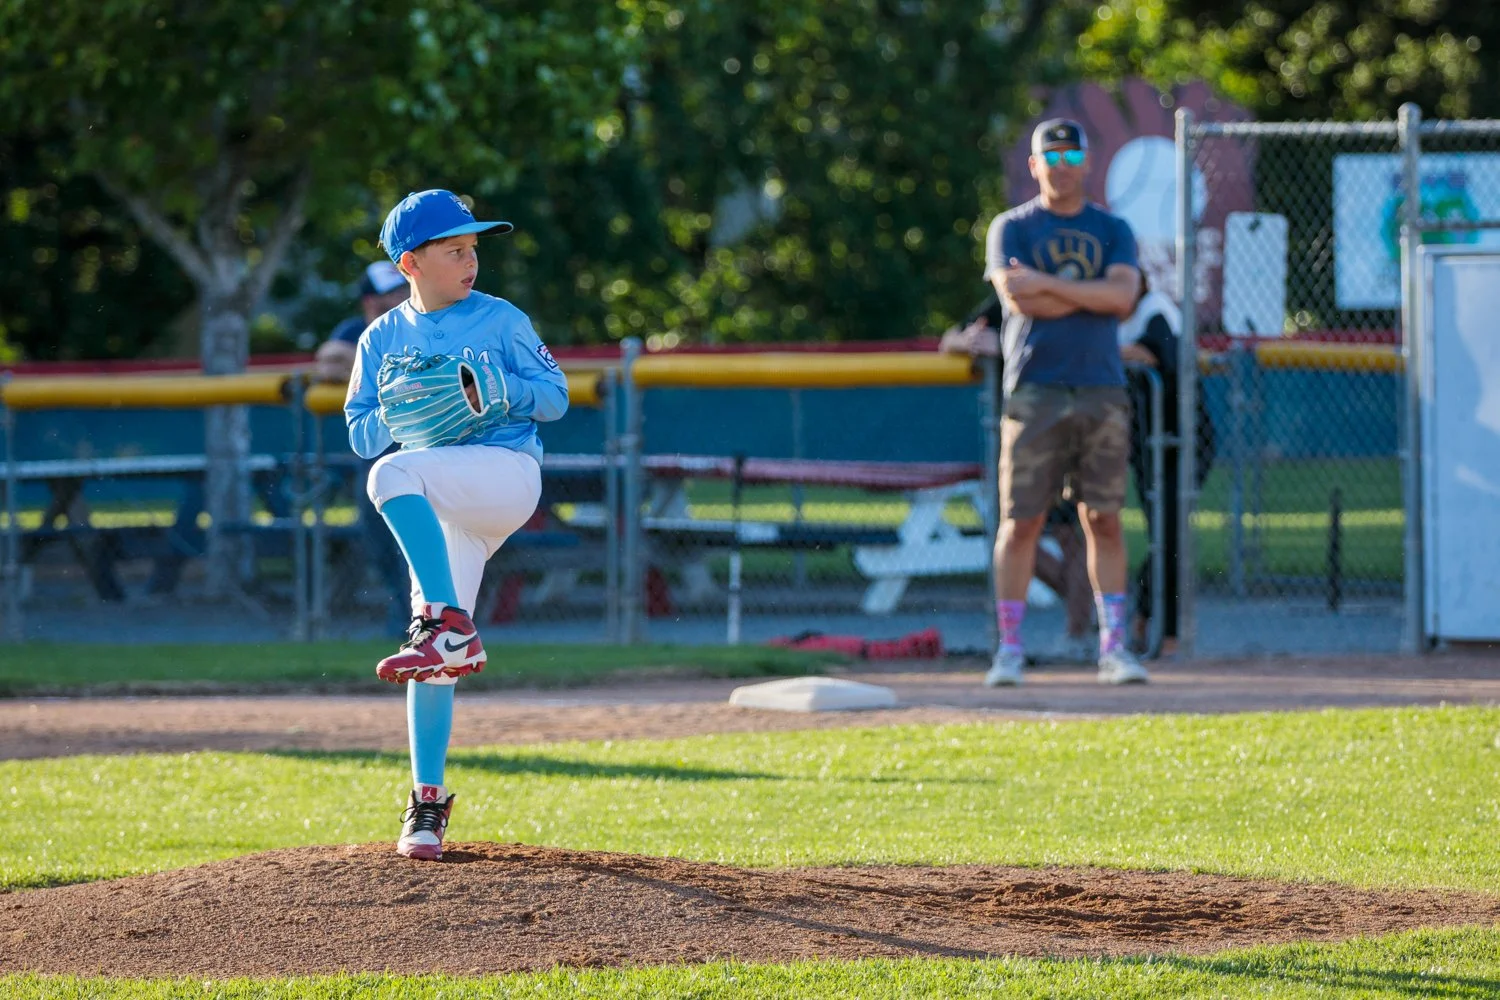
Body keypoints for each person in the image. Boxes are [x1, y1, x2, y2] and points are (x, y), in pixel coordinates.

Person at [345, 189, 569, 860]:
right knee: (428, 666)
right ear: (410, 262)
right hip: (444, 505)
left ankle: (448, 625)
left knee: (390, 478)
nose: (471, 259)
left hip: (502, 474)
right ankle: (426, 804)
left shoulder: (500, 319)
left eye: (473, 247)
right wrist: (404, 410)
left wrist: (504, 387)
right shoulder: (381, 338)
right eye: (455, 250)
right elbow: (362, 433)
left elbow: (555, 398)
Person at [983, 118, 1149, 687]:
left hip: (1100, 389)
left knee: (1103, 518)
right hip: (1034, 391)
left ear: (1086, 162)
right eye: (1049, 157)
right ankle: (1008, 650)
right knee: (1021, 521)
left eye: (1070, 155)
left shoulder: (1113, 228)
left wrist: (1051, 287)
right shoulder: (1011, 228)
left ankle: (1114, 647)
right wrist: (1088, 297)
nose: (1060, 166)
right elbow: (1016, 296)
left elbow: (1123, 297)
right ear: (1033, 165)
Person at [939, 293, 1095, 661]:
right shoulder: (1010, 297)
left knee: (1072, 533)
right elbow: (949, 339)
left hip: (1069, 428)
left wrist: (1005, 345)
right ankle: (1091, 609)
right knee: (1011, 530)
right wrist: (971, 341)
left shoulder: (1071, 296)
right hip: (1019, 435)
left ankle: (1079, 633)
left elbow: (1070, 352)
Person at [1117, 273, 1216, 655]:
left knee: (1171, 533)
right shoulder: (1108, 320)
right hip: (1147, 445)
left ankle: (1166, 630)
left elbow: (1160, 356)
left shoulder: (1153, 310)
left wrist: (1122, 351)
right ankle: (1146, 619)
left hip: (1188, 441)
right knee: (1163, 535)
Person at [315, 261, 412, 635]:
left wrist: (363, 367)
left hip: (422, 448)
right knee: (379, 540)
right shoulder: (358, 330)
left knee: (417, 537)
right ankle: (402, 614)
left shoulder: (419, 323)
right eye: (389, 292)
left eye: (401, 289)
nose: (398, 297)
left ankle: (423, 617)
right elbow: (328, 363)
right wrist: (387, 366)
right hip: (375, 453)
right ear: (369, 300)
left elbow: (343, 363)